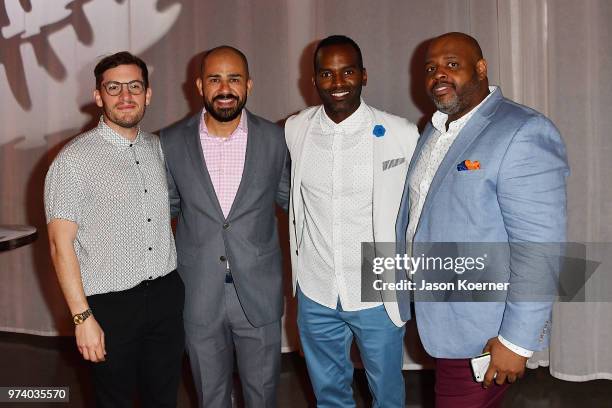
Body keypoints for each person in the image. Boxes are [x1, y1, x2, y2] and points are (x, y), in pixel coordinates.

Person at [395, 32, 569, 407]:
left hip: (483, 333)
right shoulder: (435, 127)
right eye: (430, 68)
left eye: (451, 65)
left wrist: (517, 341)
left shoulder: (522, 131)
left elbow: (539, 249)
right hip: (442, 317)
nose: (438, 74)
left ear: (481, 68)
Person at [285, 35, 419, 407]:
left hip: (374, 285)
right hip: (316, 287)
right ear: (313, 80)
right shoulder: (296, 130)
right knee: (329, 395)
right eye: (327, 73)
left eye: (347, 72)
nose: (338, 82)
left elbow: (417, 211)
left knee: (388, 395)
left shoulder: (401, 133)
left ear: (364, 75)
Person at [45, 51, 183, 408]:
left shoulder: (157, 149)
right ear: (98, 96)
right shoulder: (72, 161)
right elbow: (61, 247)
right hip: (109, 306)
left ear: (148, 94)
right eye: (114, 87)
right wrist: (82, 318)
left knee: (164, 398)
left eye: (134, 86)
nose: (125, 96)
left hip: (166, 296)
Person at [159, 46, 289, 408]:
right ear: (200, 85)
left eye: (234, 79)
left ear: (248, 84)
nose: (225, 88)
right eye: (215, 79)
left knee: (263, 395)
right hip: (198, 292)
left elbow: (295, 203)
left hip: (259, 291)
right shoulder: (169, 142)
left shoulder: (276, 139)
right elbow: (160, 210)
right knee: (210, 397)